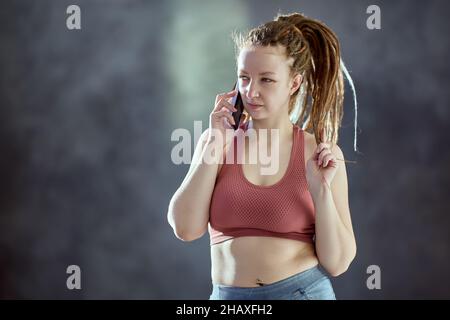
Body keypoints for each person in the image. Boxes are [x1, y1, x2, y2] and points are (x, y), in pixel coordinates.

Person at [168, 11, 358, 300]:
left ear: (294, 83)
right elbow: (185, 228)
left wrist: (321, 190)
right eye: (244, 77)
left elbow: (338, 262)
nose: (251, 91)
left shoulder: (318, 153)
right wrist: (215, 144)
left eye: (266, 80)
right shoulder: (215, 142)